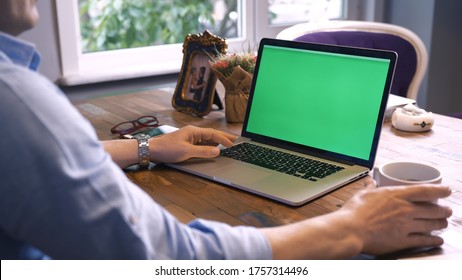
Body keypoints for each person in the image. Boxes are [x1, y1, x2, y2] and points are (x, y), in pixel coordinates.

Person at [0, 0, 453, 260]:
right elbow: (171, 259)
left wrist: (147, 147)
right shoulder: (15, 101)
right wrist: (352, 226)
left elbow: (47, 159)